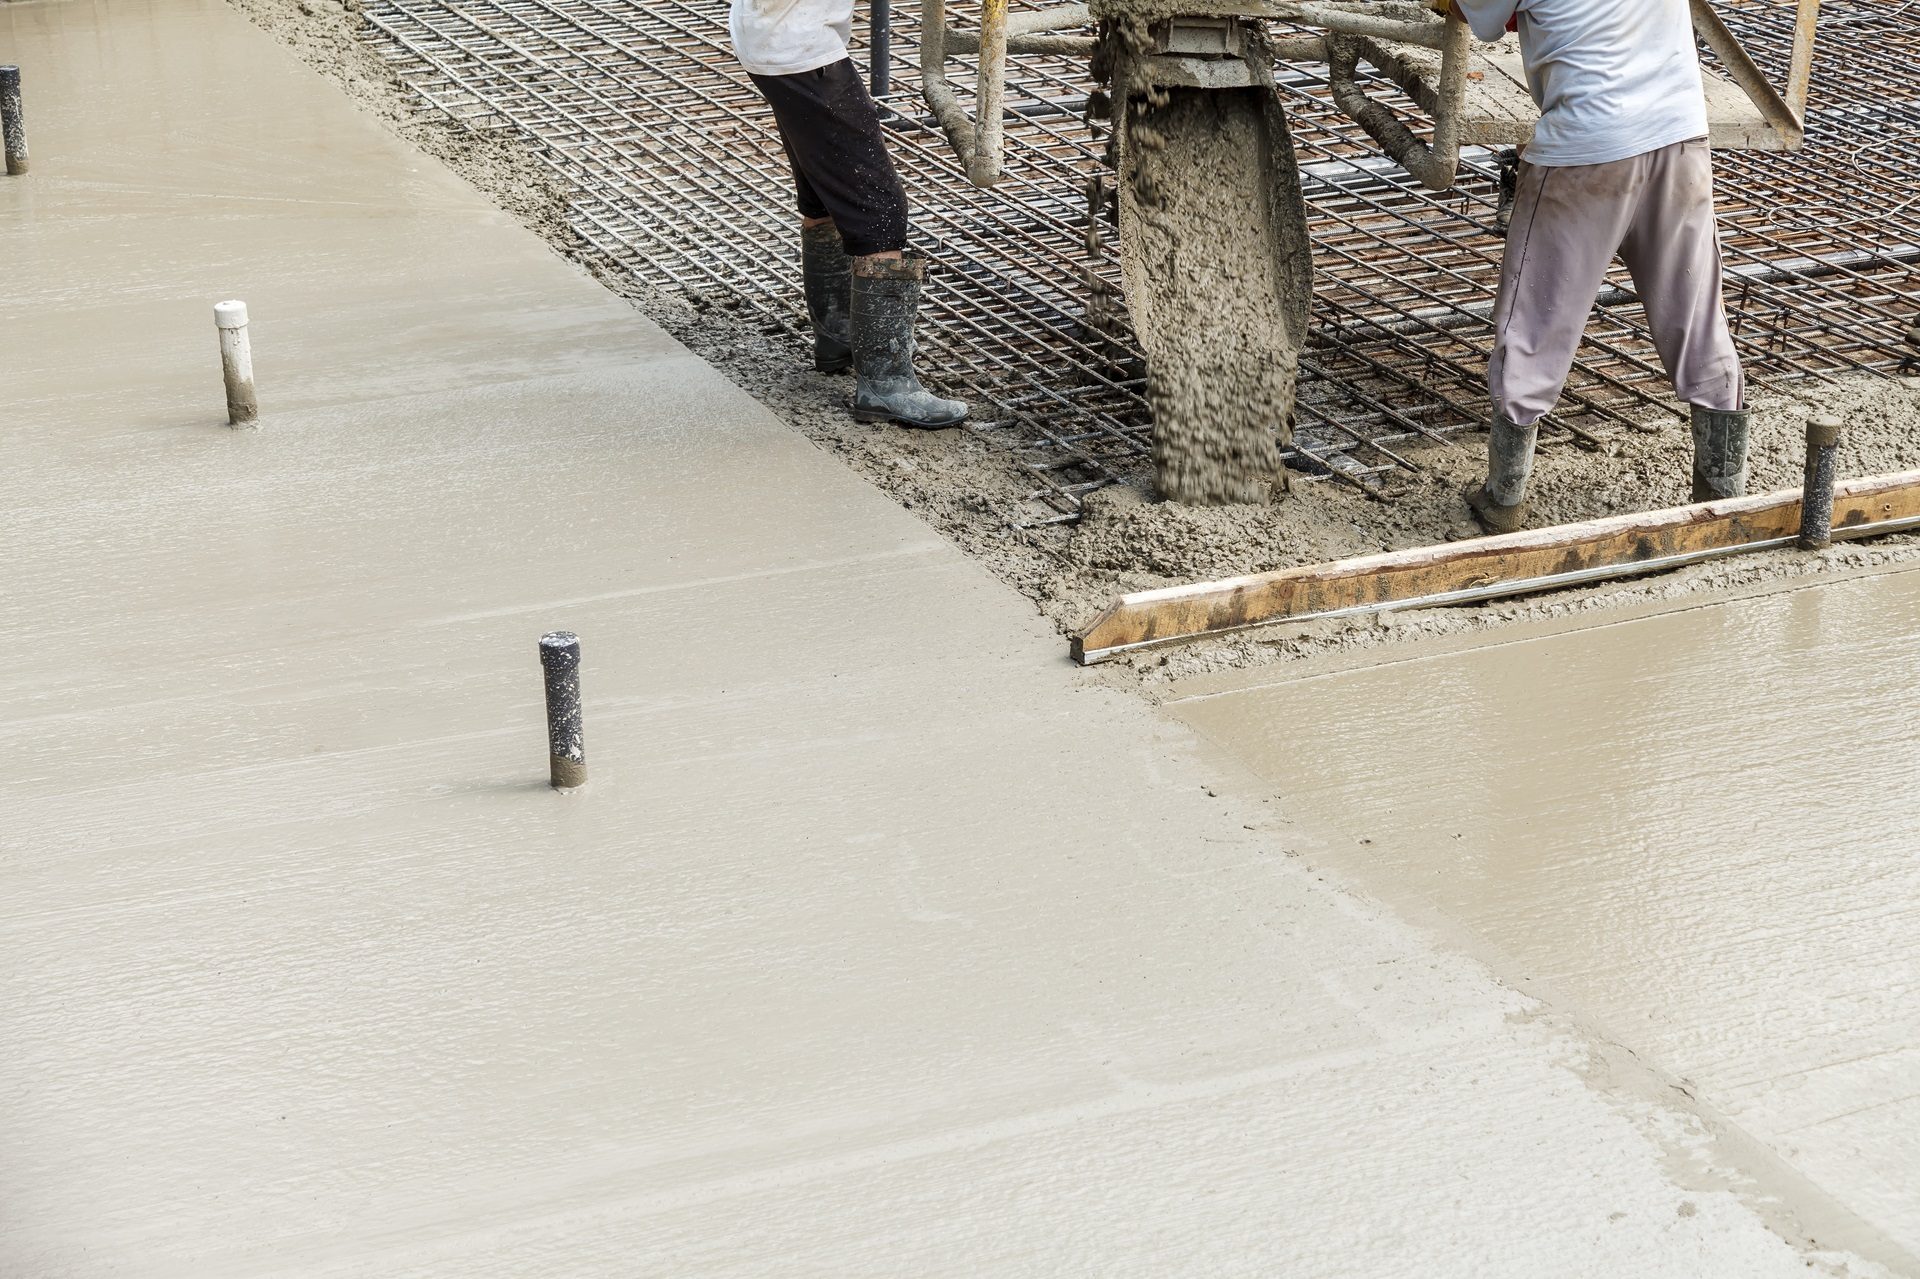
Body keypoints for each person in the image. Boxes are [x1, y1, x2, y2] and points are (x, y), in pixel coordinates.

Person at [1447, 0, 1748, 532]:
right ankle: (1722, 494)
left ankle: (1503, 498)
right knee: (1695, 312)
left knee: (1536, 320)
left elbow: (1476, 17)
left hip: (1586, 147)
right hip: (1680, 134)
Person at [728, 0, 968, 429]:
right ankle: (886, 385)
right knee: (879, 213)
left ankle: (838, 336)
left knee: (823, 194)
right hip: (799, 49)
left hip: (773, 38)